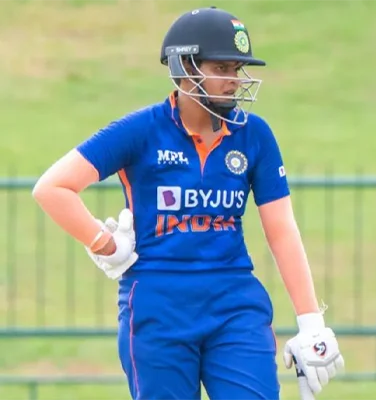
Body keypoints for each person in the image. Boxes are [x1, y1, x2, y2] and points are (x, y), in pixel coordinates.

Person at [32, 6, 344, 400]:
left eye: (237, 69)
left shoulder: (255, 136)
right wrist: (104, 244)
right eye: (222, 69)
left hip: (235, 305)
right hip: (157, 306)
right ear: (185, 68)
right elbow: (53, 187)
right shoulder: (141, 130)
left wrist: (311, 322)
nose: (233, 81)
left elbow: (282, 231)